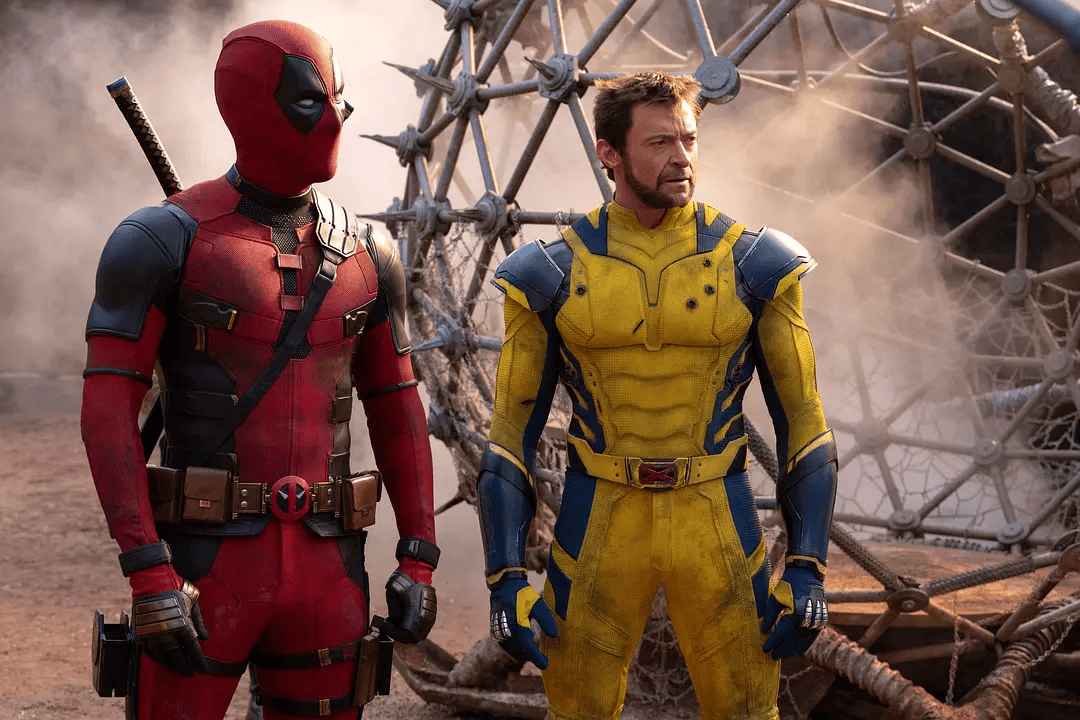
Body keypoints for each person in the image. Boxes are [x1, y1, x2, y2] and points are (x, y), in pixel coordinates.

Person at [81, 20, 439, 720]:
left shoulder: (369, 254)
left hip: (330, 573)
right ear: (248, 107)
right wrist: (148, 568)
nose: (334, 117)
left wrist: (418, 555)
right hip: (201, 572)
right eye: (309, 100)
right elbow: (107, 417)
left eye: (337, 96)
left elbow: (399, 410)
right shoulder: (158, 241)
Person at [476, 71, 837, 719]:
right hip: (600, 515)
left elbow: (805, 426)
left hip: (716, 514)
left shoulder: (756, 264)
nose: (681, 158)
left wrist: (809, 566)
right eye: (659, 142)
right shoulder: (549, 274)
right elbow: (509, 439)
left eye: (689, 140)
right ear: (609, 152)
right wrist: (504, 579)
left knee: (748, 709)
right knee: (578, 709)